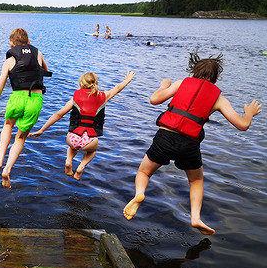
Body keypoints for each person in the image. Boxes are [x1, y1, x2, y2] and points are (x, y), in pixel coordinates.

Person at [123, 50, 262, 235]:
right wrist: (249, 114)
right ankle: (195, 217)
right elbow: (242, 125)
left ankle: (139, 193)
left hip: (164, 138)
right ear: (216, 79)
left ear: (193, 73)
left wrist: (163, 86)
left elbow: (154, 99)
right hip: (189, 145)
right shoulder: (219, 99)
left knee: (144, 171)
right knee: (196, 181)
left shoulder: (181, 83)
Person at [29, 70, 135, 180]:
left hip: (72, 137)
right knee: (92, 152)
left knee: (72, 148)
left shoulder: (74, 98)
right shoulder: (104, 96)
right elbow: (117, 88)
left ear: (81, 84)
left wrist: (42, 129)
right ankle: (80, 167)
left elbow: (58, 114)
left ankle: (68, 161)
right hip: (90, 140)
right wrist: (127, 80)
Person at [0, 28, 51, 188]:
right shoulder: (38, 53)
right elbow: (46, 72)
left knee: (8, 125)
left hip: (17, 97)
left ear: (11, 44)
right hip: (35, 100)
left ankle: (0, 158)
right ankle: (7, 169)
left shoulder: (9, 61)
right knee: (20, 138)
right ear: (29, 42)